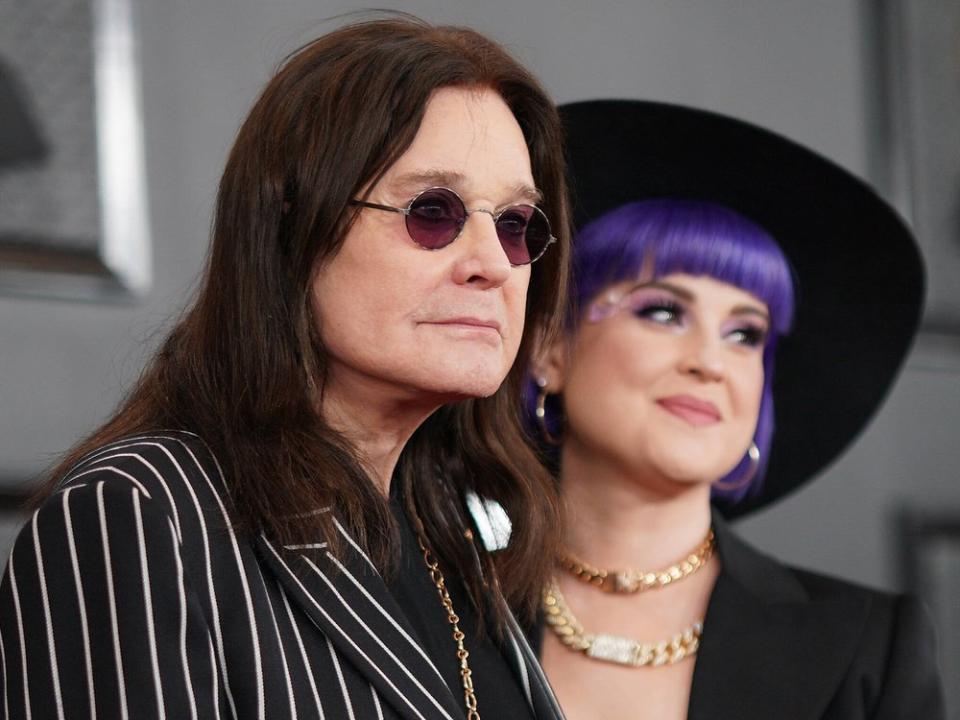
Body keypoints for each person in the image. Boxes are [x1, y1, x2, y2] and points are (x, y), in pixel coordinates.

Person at [0, 17, 571, 720]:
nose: (492, 264)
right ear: (292, 235)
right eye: (433, 212)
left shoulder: (454, 526)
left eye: (516, 224)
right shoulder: (142, 513)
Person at [528, 99, 945, 719]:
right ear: (550, 351)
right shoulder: (446, 606)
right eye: (663, 312)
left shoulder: (871, 648)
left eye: (745, 334)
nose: (710, 362)